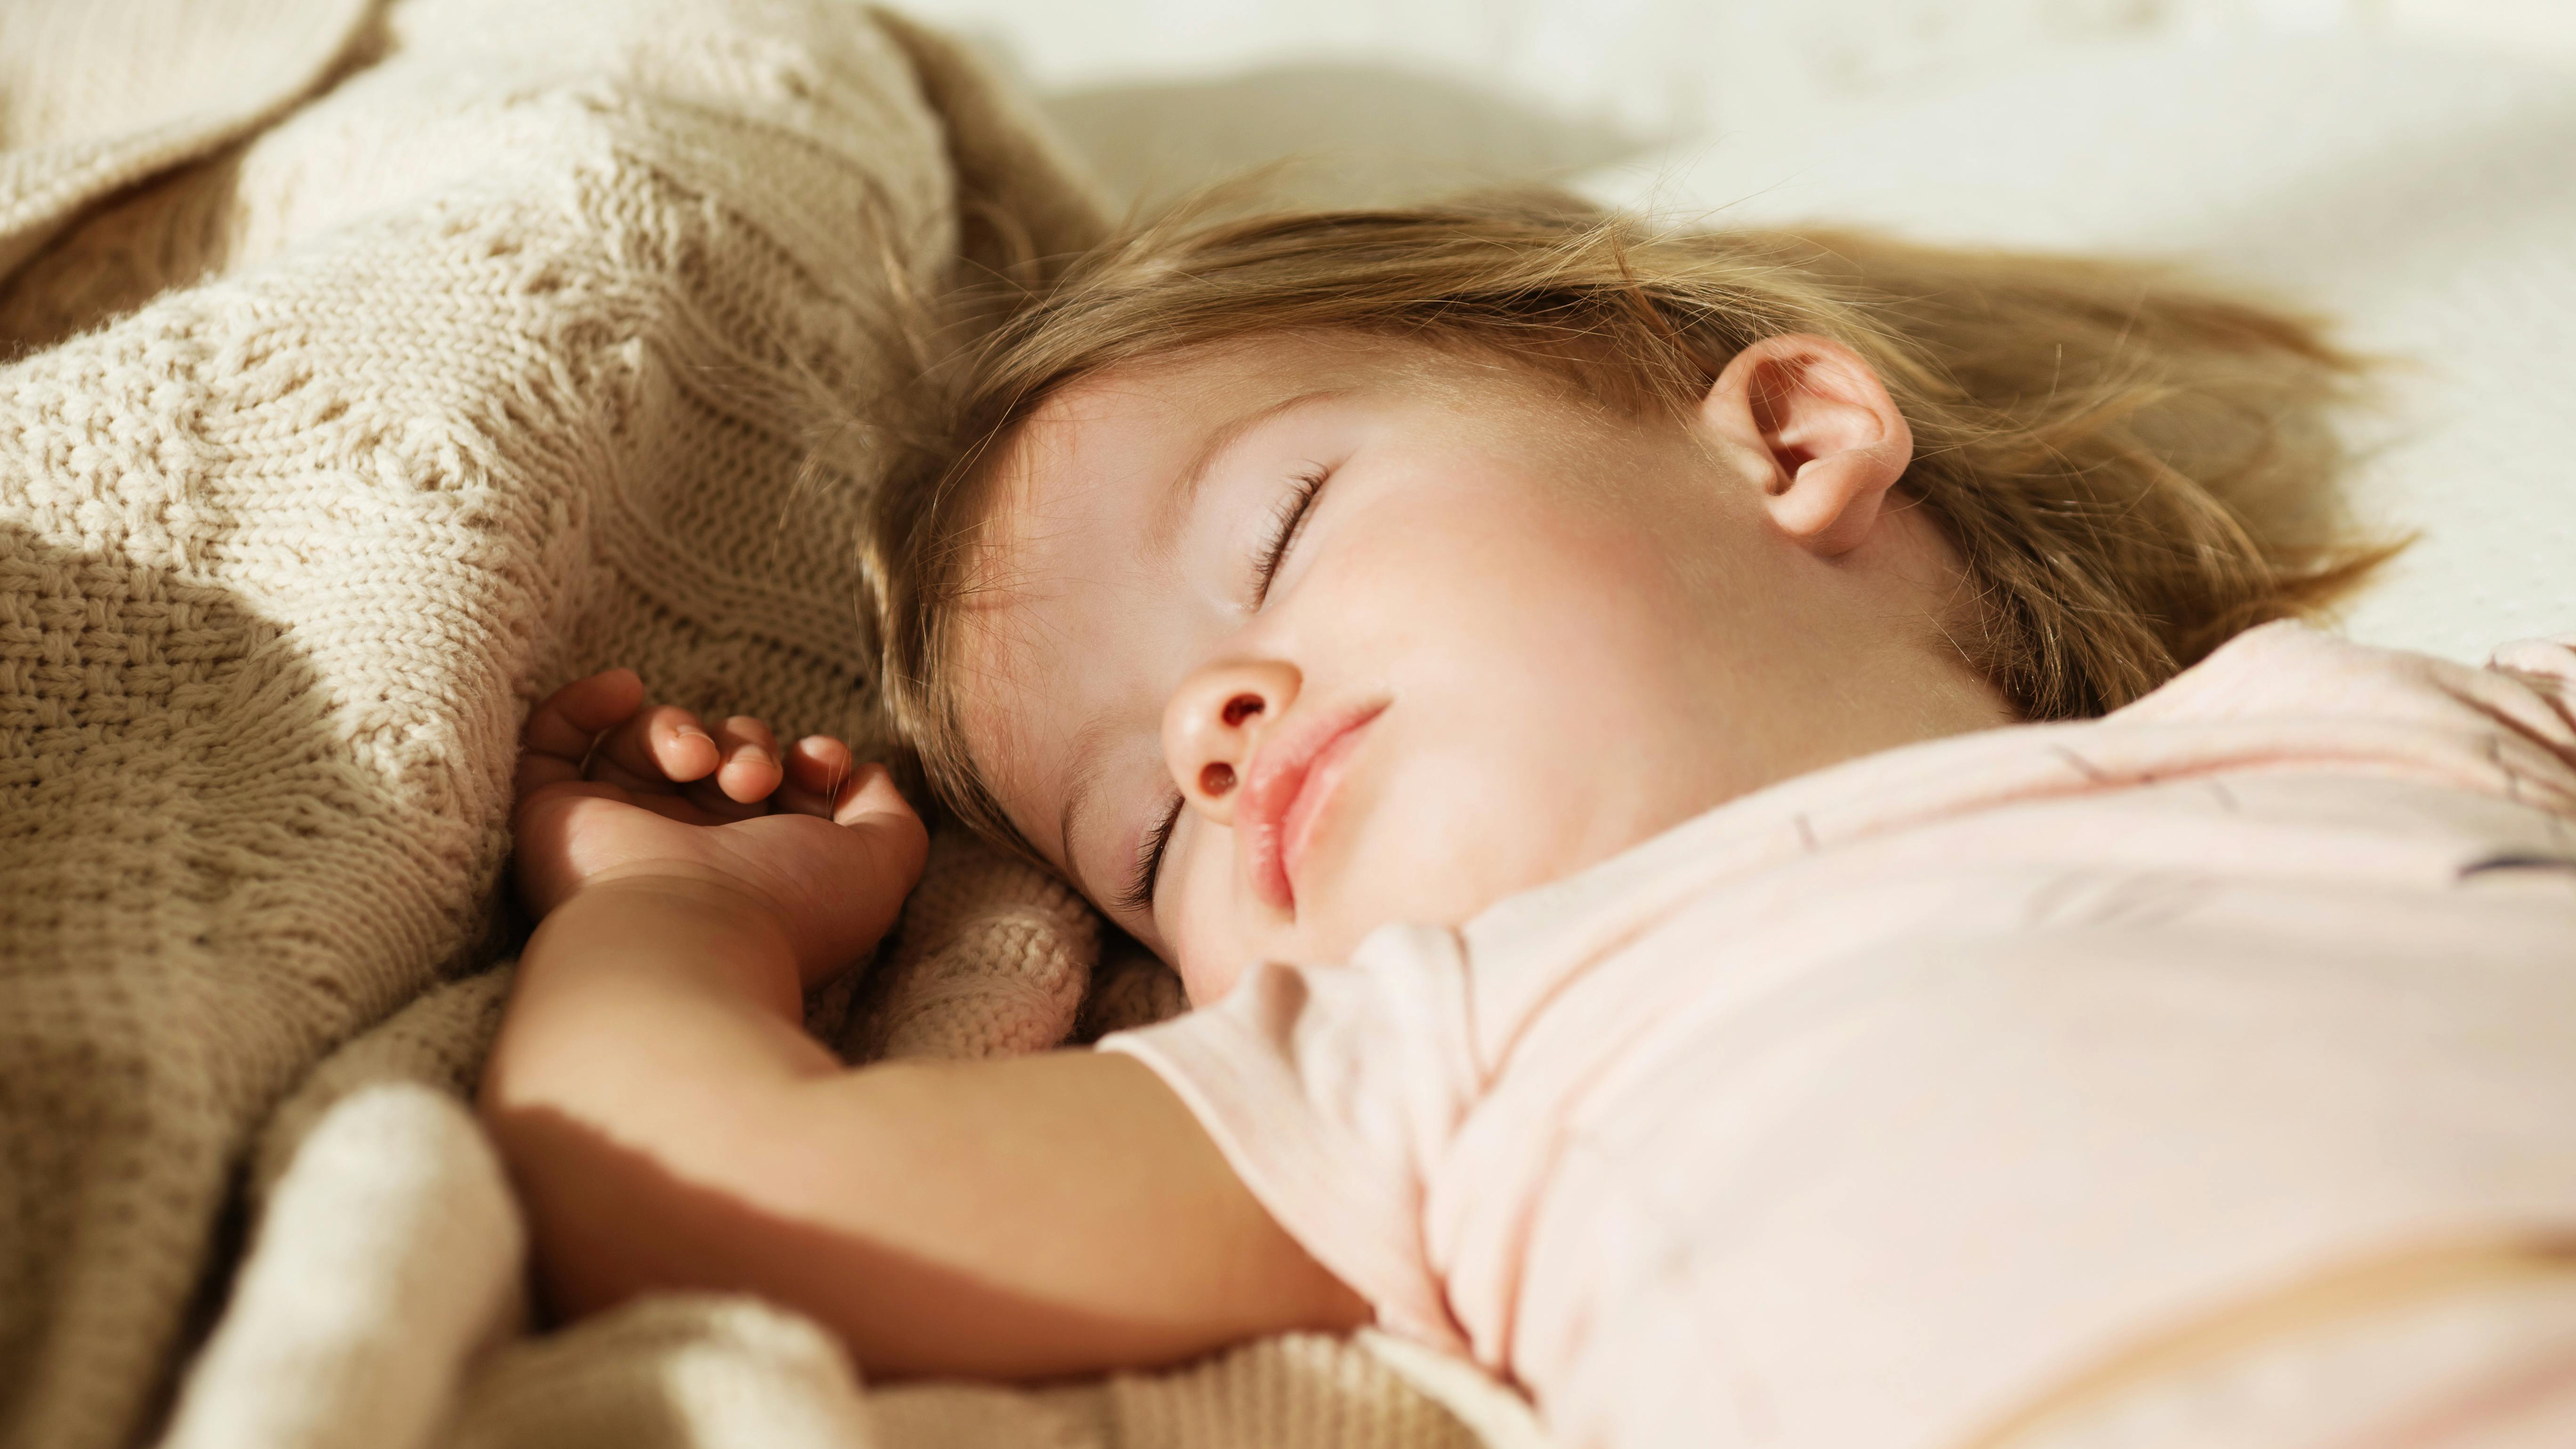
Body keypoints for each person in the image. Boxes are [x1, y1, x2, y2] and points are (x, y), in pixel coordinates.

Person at [479, 195, 2576, 1448]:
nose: (1213, 733)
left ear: (1784, 435)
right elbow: (704, 1182)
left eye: (1283, 531)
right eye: (1141, 846)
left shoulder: (2392, 730)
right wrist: (679, 912)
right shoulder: (1439, 1061)